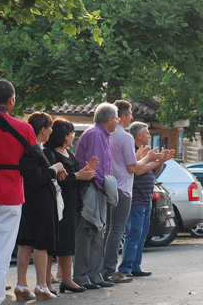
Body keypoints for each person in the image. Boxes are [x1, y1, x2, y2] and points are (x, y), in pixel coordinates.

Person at [102, 101, 159, 284]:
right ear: (122, 117)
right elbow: (133, 168)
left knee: (110, 231)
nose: (132, 117)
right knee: (117, 231)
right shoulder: (124, 137)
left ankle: (106, 269)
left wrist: (150, 160)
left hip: (107, 186)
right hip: (122, 189)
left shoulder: (103, 134)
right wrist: (150, 158)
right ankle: (111, 270)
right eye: (131, 114)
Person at [0, 80, 39, 305]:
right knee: (1, 251)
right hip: (9, 193)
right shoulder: (23, 128)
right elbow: (35, 158)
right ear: (11, 101)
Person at [15, 112, 67, 301]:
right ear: (43, 130)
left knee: (26, 242)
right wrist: (53, 170)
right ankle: (41, 285)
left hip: (27, 200)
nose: (51, 131)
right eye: (50, 127)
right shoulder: (34, 150)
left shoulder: (25, 149)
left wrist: (52, 171)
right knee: (41, 244)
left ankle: (21, 284)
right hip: (40, 201)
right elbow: (36, 179)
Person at [44, 119, 98, 294]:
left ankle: (67, 280)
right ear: (62, 135)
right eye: (71, 133)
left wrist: (88, 171)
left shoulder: (68, 152)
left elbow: (76, 174)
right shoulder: (49, 154)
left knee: (67, 243)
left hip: (72, 204)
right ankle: (46, 282)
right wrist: (78, 175)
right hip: (55, 204)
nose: (73, 136)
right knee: (50, 245)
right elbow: (56, 178)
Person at [118, 122, 174, 277]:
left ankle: (135, 266)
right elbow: (139, 170)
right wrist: (155, 160)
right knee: (133, 233)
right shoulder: (134, 152)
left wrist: (161, 161)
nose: (150, 135)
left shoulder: (147, 153)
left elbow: (154, 173)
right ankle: (125, 268)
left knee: (142, 234)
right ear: (139, 135)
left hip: (146, 199)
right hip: (135, 199)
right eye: (147, 133)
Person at [73, 102, 119, 289]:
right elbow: (95, 169)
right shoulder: (96, 135)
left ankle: (94, 275)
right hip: (91, 189)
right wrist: (106, 188)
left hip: (97, 187)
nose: (117, 122)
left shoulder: (101, 134)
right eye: (116, 119)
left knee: (97, 233)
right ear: (110, 119)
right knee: (88, 232)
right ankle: (83, 276)